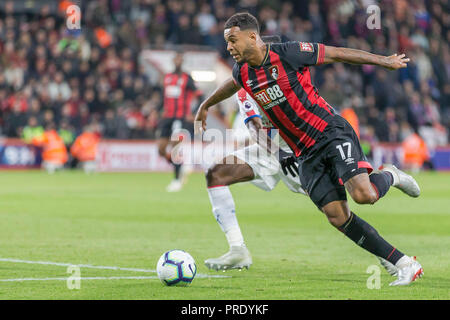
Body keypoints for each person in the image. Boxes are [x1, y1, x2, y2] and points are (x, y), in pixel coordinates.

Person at [195, 12, 423, 286]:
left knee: (364, 195)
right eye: (227, 42)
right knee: (337, 216)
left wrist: (383, 60)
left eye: (232, 40)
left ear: (252, 36)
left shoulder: (289, 53)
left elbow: (337, 53)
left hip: (329, 133)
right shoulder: (241, 72)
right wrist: (205, 106)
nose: (228, 47)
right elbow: (231, 87)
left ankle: (392, 175)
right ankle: (403, 263)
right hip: (302, 153)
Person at [205, 84, 306, 271]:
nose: (233, 53)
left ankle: (378, 249)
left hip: (298, 148)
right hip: (270, 149)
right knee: (216, 174)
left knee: (335, 209)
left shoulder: (282, 72)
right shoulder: (244, 89)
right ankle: (238, 249)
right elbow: (255, 129)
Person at [157, 52, 200, 192]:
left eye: (180, 59)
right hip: (167, 117)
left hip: (180, 117)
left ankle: (176, 180)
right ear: (172, 60)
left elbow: (200, 96)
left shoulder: (187, 78)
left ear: (182, 61)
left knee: (175, 146)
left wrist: (193, 113)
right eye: (176, 58)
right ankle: (180, 167)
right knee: (161, 149)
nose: (177, 61)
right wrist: (158, 110)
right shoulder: (167, 77)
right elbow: (164, 97)